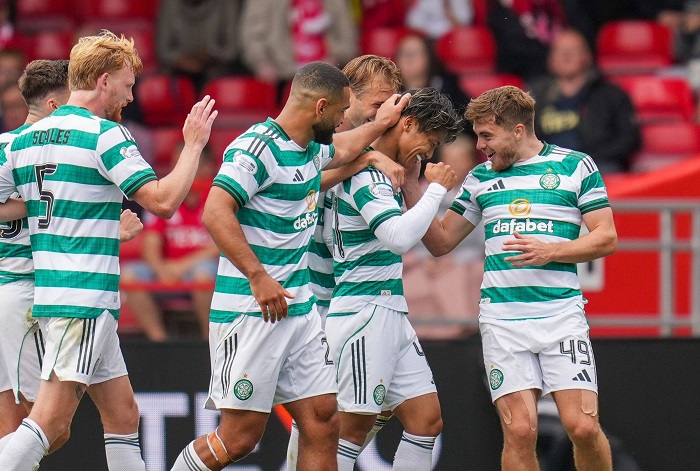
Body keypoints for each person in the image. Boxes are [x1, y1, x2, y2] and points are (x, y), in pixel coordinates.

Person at [170, 61, 409, 471]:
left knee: (323, 418)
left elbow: (340, 153)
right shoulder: (256, 148)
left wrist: (372, 149)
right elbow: (215, 211)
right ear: (320, 108)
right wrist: (258, 276)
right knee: (239, 439)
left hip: (298, 310)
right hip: (252, 310)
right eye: (339, 113)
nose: (341, 122)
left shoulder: (308, 149)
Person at [0, 31, 217, 471]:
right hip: (84, 298)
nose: (131, 96)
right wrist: (193, 144)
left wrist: (83, 224)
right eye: (127, 84)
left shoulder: (23, 139)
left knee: (123, 415)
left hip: (58, 292)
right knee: (48, 424)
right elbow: (163, 202)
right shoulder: (105, 135)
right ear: (103, 81)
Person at [401, 85, 616, 471]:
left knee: (583, 427)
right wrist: (413, 187)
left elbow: (606, 237)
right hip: (503, 320)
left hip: (561, 316)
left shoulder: (575, 166)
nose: (480, 146)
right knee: (519, 431)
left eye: (487, 135)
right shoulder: (480, 178)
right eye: (477, 136)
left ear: (518, 130)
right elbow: (441, 241)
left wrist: (552, 251)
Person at [0, 58, 145, 455]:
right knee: (47, 429)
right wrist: (110, 230)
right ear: (53, 106)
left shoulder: (6, 145)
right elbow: (60, 217)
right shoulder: (49, 147)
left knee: (123, 413)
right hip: (32, 292)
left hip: (25, 292)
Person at [326, 88, 462, 470]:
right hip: (363, 311)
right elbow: (399, 238)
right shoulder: (367, 175)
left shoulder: (382, 172)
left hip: (388, 309)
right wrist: (436, 189)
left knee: (426, 420)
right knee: (351, 429)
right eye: (429, 141)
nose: (429, 153)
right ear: (408, 124)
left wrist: (416, 186)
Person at [288, 53, 404, 469]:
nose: (385, 114)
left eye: (392, 105)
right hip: (312, 296)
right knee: (320, 413)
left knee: (377, 405)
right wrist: (366, 159)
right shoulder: (317, 136)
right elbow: (300, 180)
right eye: (377, 104)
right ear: (347, 97)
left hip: (348, 296)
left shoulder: (373, 149)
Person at [121, 144, 219, 341]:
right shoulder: (165, 196)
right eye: (177, 163)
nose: (181, 169)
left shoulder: (217, 196)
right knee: (128, 275)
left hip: (202, 269)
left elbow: (220, 246)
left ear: (208, 167)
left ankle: (210, 342)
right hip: (167, 269)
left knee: (203, 276)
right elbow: (150, 245)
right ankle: (159, 342)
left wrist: (180, 267)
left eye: (190, 163)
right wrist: (161, 269)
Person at [402, 130, 484, 339]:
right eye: (449, 160)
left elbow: (482, 243)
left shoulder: (479, 193)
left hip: (464, 261)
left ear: (471, 162)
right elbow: (408, 231)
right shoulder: (420, 192)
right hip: (422, 261)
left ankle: (462, 332)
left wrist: (453, 259)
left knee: (464, 275)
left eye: (460, 159)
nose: (454, 165)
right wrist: (425, 259)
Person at [529, 28, 640, 173]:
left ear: (587, 57)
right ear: (550, 60)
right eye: (559, 51)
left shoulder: (611, 95)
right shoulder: (534, 97)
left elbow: (629, 139)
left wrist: (586, 160)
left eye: (573, 50)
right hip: (547, 170)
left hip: (596, 167)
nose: (566, 56)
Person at [240, 0, 358, 86]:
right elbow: (252, 34)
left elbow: (348, 36)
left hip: (326, 76)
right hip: (282, 76)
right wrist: (262, 63)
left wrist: (336, 58)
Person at [156, 0, 243, 90]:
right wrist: (183, 61)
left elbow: (232, 50)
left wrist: (210, 55)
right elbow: (163, 50)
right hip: (179, 70)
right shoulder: (170, 3)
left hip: (217, 70)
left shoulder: (227, 3)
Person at [395, 33, 469, 109]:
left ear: (429, 57)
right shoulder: (390, 93)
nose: (408, 59)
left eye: (414, 53)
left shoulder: (449, 89)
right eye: (404, 53)